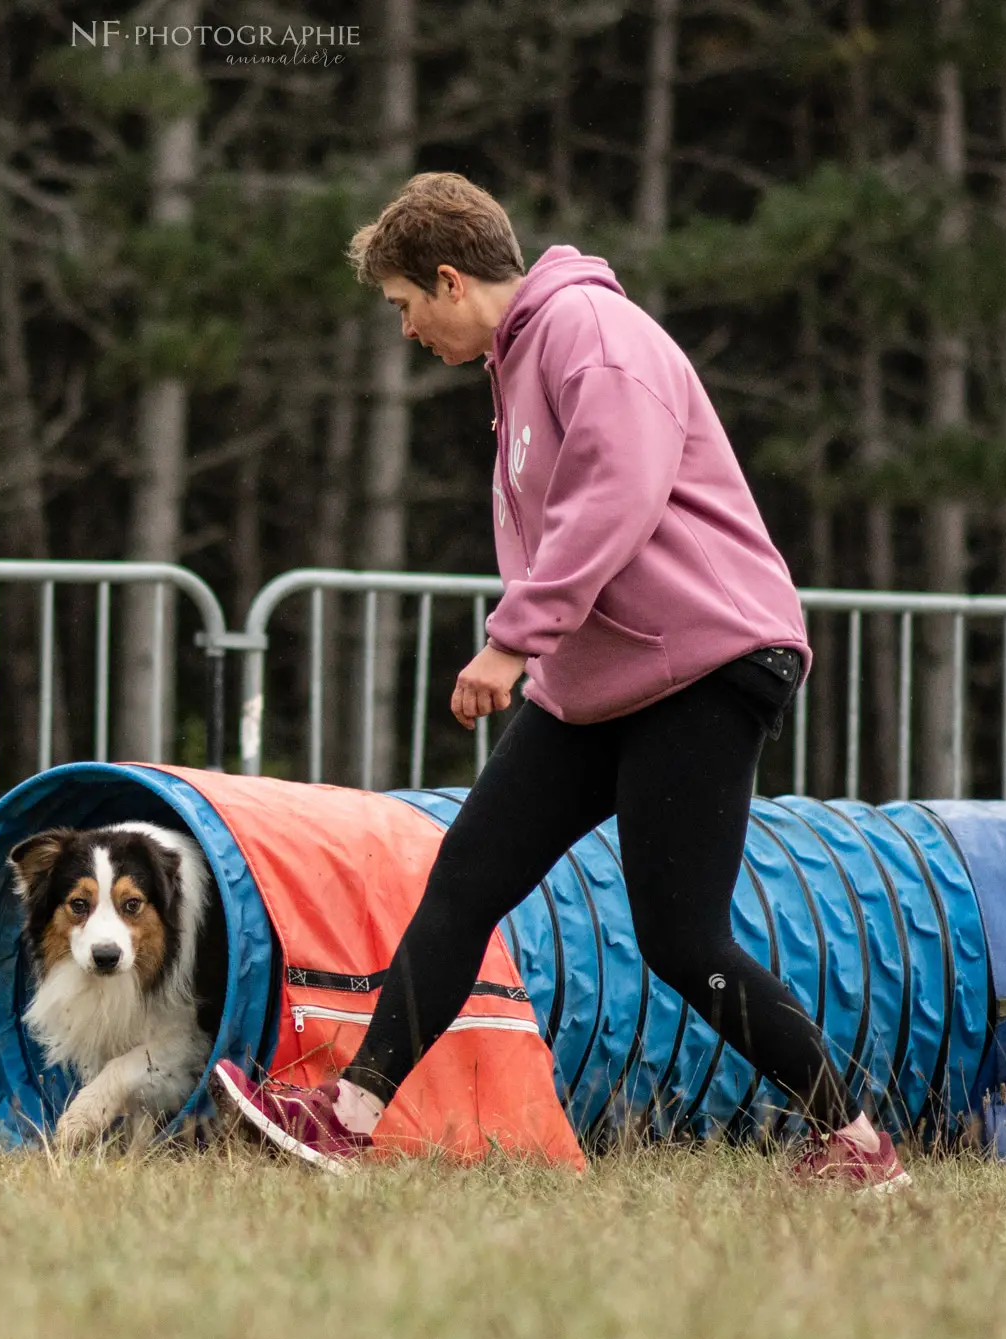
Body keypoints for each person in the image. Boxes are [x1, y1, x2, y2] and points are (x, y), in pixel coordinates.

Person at [212, 172, 908, 1191]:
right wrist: (540, 648)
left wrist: (511, 638)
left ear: (448, 281)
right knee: (466, 875)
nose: (405, 332)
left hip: (704, 660)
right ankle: (344, 1115)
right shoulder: (517, 359)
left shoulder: (589, 329)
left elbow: (614, 494)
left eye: (403, 308)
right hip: (604, 675)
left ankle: (853, 1143)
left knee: (682, 939)